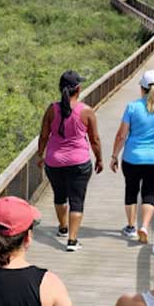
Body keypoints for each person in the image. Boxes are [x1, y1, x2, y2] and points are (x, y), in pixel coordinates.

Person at [37, 70, 103, 252]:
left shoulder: (52, 109)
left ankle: (63, 227)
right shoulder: (87, 111)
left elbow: (43, 136)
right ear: (78, 89)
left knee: (60, 195)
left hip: (54, 162)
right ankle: (72, 241)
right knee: (77, 200)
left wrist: (40, 155)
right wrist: (99, 159)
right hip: (79, 163)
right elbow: (95, 139)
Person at [109, 69, 154, 244]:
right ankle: (144, 227)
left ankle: (131, 227)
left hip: (133, 158)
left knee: (131, 191)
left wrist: (114, 155)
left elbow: (121, 135)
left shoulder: (132, 107)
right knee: (150, 194)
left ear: (142, 88)